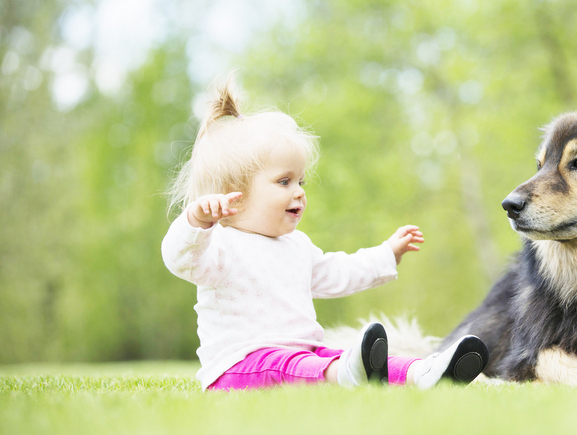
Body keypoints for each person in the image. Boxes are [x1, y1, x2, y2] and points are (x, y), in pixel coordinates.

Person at [162, 75, 488, 391]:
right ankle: (346, 374)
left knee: (335, 359)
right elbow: (181, 260)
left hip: (303, 357)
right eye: (284, 181)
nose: (300, 192)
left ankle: (422, 371)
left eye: (300, 182)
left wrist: (386, 254)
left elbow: (338, 271)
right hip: (239, 366)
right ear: (236, 194)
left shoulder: (297, 247)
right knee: (294, 364)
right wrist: (195, 220)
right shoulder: (220, 245)